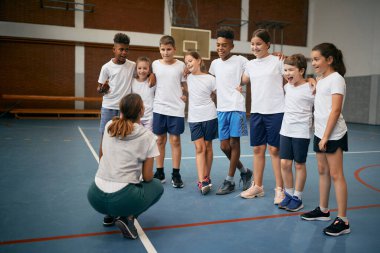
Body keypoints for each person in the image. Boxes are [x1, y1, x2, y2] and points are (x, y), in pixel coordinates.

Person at [87, 93, 164, 240]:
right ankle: (127, 218)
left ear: (121, 110)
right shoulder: (148, 136)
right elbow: (148, 177)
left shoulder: (110, 126)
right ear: (142, 111)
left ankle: (110, 215)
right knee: (157, 185)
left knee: (115, 180)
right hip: (123, 198)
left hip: (95, 195)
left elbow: (102, 155)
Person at [301, 43, 350, 237]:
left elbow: (336, 110)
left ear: (329, 59)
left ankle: (343, 220)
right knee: (323, 171)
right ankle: (323, 210)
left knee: (336, 175)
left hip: (333, 134)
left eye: (316, 59)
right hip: (320, 132)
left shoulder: (337, 79)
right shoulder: (322, 79)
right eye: (312, 59)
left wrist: (326, 137)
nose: (313, 63)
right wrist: (312, 80)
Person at [240, 29, 285, 204]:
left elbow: (293, 74)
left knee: (275, 150)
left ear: (268, 45)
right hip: (257, 112)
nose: (255, 47)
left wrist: (310, 80)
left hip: (276, 111)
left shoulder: (278, 61)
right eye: (252, 44)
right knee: (258, 150)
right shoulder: (250, 65)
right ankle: (257, 186)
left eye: (259, 43)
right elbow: (242, 79)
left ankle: (280, 189)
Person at [209, 26, 253, 195]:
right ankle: (244, 172)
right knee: (223, 146)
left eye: (224, 45)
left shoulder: (241, 60)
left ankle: (230, 180)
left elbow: (254, 69)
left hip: (236, 106)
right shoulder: (214, 64)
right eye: (218, 44)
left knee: (234, 143)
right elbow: (213, 83)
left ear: (232, 46)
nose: (221, 48)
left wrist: (243, 82)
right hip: (222, 108)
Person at [277, 54, 315, 212]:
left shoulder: (311, 88)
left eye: (291, 70)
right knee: (284, 163)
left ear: (301, 70)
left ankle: (298, 198)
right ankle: (289, 194)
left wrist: (312, 79)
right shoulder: (287, 87)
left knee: (299, 164)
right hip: (286, 129)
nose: (287, 73)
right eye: (285, 70)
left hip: (301, 131)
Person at [152, 35, 187, 188]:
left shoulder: (181, 66)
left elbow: (185, 84)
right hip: (159, 107)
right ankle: (160, 172)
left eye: (168, 49)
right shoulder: (154, 64)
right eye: (163, 49)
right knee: (160, 140)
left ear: (174, 50)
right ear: (160, 50)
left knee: (175, 141)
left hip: (176, 108)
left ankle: (176, 173)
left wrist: (186, 94)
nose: (165, 52)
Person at [184, 51, 218, 195]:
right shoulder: (187, 77)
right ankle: (201, 181)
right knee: (199, 148)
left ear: (199, 60)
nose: (188, 64)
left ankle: (206, 177)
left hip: (210, 115)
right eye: (186, 62)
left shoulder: (210, 79)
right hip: (194, 118)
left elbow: (219, 94)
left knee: (208, 147)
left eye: (191, 60)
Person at [97, 33, 135, 159]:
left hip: (125, 109)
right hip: (109, 107)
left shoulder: (132, 65)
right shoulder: (106, 67)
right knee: (105, 138)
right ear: (114, 50)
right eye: (121, 49)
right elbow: (99, 88)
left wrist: (152, 75)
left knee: (125, 139)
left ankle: (121, 167)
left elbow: (144, 70)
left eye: (126, 49)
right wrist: (103, 89)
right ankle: (102, 168)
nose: (124, 52)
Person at [131, 56, 156, 131]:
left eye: (145, 68)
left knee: (148, 139)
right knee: (137, 139)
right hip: (136, 117)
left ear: (149, 70)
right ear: (136, 69)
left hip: (149, 117)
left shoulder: (152, 82)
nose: (142, 71)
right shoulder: (132, 82)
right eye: (139, 68)